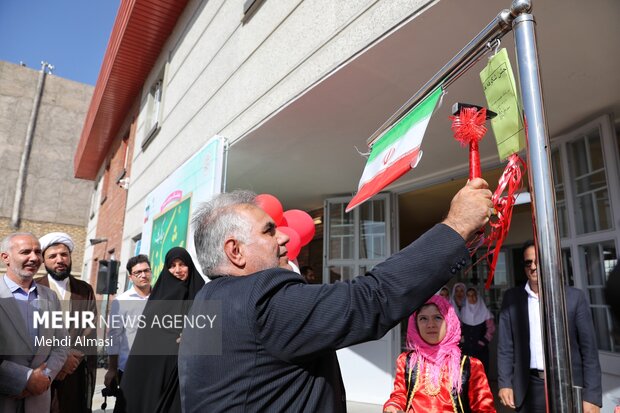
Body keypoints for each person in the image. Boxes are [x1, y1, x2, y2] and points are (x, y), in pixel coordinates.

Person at [178, 179, 492, 412]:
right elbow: (371, 299)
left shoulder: (208, 301)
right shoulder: (262, 298)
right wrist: (456, 227)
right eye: (269, 231)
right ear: (235, 251)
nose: (285, 235)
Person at [497, 240, 602, 413]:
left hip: (567, 386)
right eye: (528, 262)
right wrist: (505, 383)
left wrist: (591, 396)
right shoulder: (512, 299)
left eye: (538, 261)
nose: (533, 267)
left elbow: (589, 351)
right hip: (529, 388)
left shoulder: (574, 298)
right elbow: (505, 347)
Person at [119, 247, 204, 413]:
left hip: (189, 373)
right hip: (157, 373)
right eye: (172, 266)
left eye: (182, 264)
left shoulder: (203, 294)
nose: (177, 270)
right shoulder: (159, 297)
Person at [383, 295, 496, 412]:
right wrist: (393, 406)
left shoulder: (470, 366)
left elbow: (484, 408)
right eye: (423, 319)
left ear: (449, 322)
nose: (430, 324)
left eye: (437, 317)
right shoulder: (406, 361)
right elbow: (399, 395)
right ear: (415, 324)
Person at [0, 232, 68, 412]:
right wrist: (25, 378)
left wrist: (44, 377)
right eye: (25, 252)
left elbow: (61, 345)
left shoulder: (50, 296)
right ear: (5, 257)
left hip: (38, 400)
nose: (34, 258)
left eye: (38, 252)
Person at [35, 232, 98, 413]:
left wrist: (72, 357)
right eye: (52, 256)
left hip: (74, 370)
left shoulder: (84, 289)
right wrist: (60, 360)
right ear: (44, 260)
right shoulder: (35, 288)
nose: (59, 260)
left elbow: (90, 326)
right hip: (44, 368)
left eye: (64, 255)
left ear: (70, 258)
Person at [103, 255, 152, 408]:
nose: (143, 275)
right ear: (130, 277)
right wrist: (112, 369)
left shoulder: (160, 297)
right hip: (128, 368)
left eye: (146, 271)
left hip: (154, 368)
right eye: (138, 273)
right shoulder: (121, 301)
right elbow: (114, 336)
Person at [460, 287, 495, 372]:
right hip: (467, 350)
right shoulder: (463, 312)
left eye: (473, 295)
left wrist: (482, 342)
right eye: (468, 295)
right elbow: (459, 328)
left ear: (477, 296)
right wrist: (463, 338)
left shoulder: (485, 312)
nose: (471, 298)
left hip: (481, 350)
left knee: (481, 374)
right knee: (467, 374)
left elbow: (491, 330)